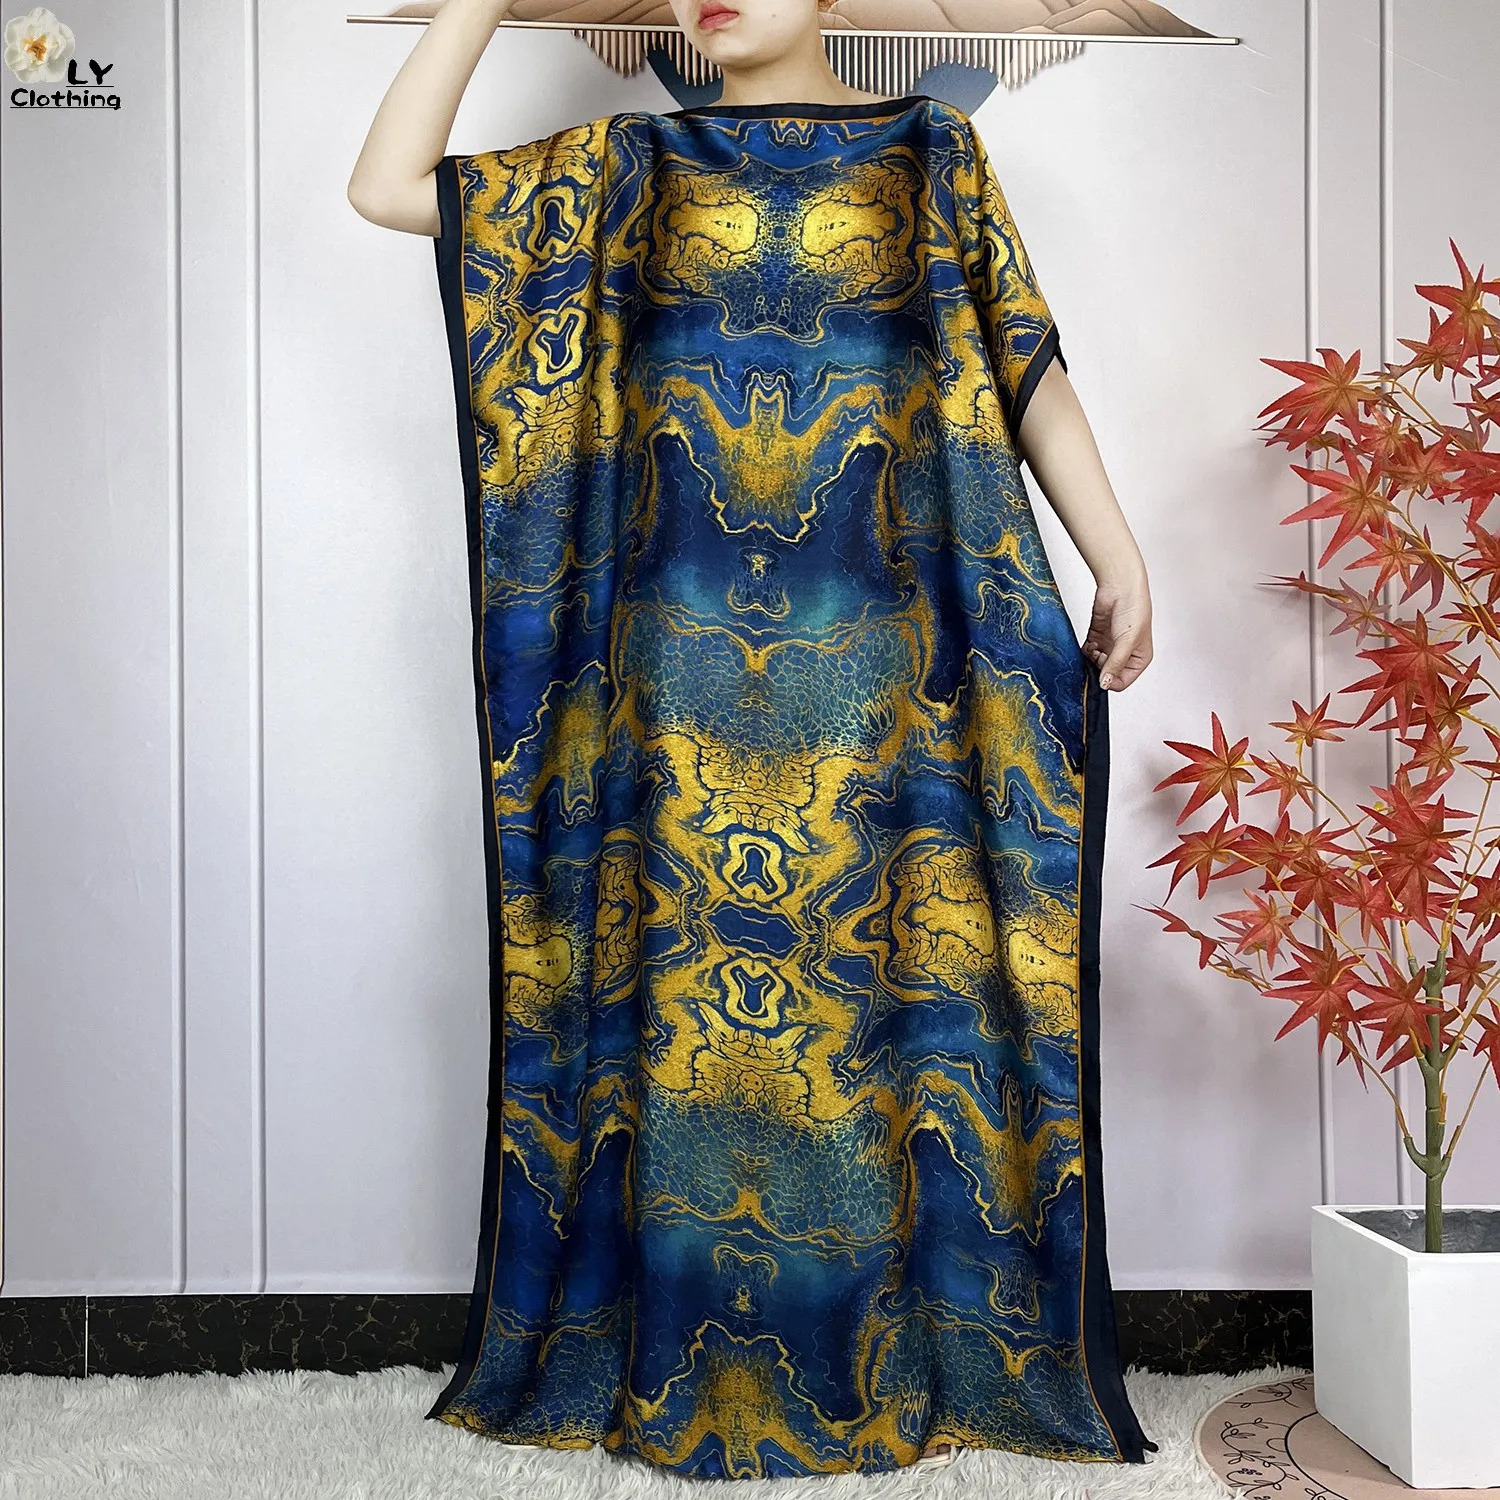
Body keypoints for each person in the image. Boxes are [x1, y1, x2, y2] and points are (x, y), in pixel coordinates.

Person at [349, 0, 1155, 1478]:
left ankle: (882, 1369)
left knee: (876, 1039)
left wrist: (1118, 554)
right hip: (673, 724)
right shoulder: (627, 173)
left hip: (884, 721)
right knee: (688, 1042)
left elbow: (1022, 368)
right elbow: (388, 185)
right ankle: (681, 1369)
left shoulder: (931, 157)